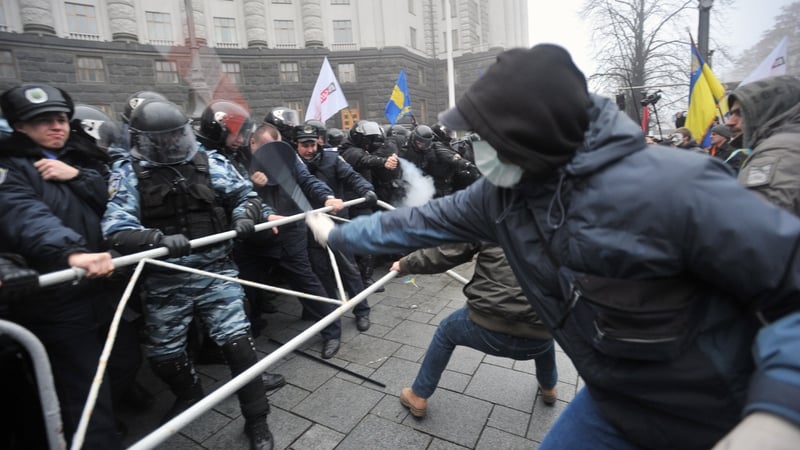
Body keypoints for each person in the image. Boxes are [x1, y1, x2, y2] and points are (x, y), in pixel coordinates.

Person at [309, 45, 800, 449]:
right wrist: (339, 234)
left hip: (721, 407)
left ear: (535, 135)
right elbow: (418, 223)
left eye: (488, 137)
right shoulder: (500, 194)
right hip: (613, 396)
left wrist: (779, 412)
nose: (477, 149)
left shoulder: (676, 187)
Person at [101, 99, 275, 450]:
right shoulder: (130, 171)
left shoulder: (209, 161)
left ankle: (257, 419)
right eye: (160, 140)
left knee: (239, 346)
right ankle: (190, 392)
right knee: (164, 355)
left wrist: (245, 216)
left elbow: (245, 194)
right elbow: (115, 227)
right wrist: (155, 239)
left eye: (175, 137)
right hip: (166, 279)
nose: (170, 146)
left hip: (215, 272)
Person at [0, 83, 119, 448]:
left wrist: (77, 175)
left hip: (98, 289)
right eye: (44, 121)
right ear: (20, 127)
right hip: (58, 299)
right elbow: (26, 215)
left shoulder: (77, 158)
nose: (57, 126)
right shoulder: (12, 168)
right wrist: (72, 253)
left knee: (117, 369)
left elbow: (111, 199)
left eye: (62, 118)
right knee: (84, 396)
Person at [392, 242, 558, 418]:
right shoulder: (569, 226)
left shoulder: (493, 218)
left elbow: (448, 252)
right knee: (545, 330)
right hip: (539, 338)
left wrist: (405, 264)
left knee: (446, 330)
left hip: (486, 326)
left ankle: (418, 395)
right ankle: (549, 388)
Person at [247, 123, 347, 359]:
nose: (275, 154)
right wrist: (252, 184)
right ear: (253, 144)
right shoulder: (238, 160)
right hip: (256, 234)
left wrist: (327, 196)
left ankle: (332, 331)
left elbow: (307, 180)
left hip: (290, 229)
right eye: (268, 149)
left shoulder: (287, 156)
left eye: (278, 148)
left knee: (305, 279)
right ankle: (251, 330)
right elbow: (235, 194)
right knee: (248, 285)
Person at [294, 124, 376, 332]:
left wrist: (366, 190)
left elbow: (352, 176)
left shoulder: (332, 158)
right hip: (311, 228)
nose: (310, 149)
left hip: (337, 223)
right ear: (296, 145)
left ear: (319, 142)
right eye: (304, 145)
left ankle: (362, 310)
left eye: (313, 144)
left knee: (349, 269)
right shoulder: (292, 164)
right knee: (321, 273)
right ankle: (331, 318)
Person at [727, 75, 800, 216]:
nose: (729, 122)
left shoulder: (779, 152)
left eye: (740, 113)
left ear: (769, 111)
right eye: (731, 114)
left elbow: (751, 225)